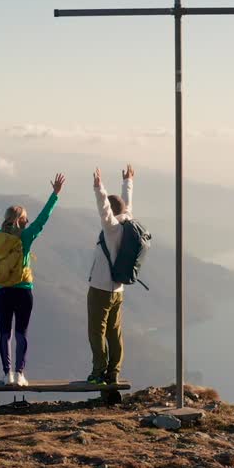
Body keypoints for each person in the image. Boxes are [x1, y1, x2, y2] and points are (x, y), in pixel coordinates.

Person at [0, 173, 65, 387]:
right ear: (22, 220)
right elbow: (43, 219)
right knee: (21, 333)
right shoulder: (26, 237)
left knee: (5, 333)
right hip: (24, 291)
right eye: (26, 218)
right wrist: (55, 195)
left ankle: (7, 375)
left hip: (3, 292)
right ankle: (20, 374)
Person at [86, 164, 133, 385]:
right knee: (114, 333)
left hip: (101, 288)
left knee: (96, 331)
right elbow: (125, 204)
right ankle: (113, 372)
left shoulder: (112, 228)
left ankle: (98, 372)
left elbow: (104, 209)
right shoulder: (128, 223)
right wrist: (128, 182)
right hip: (118, 290)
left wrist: (99, 188)